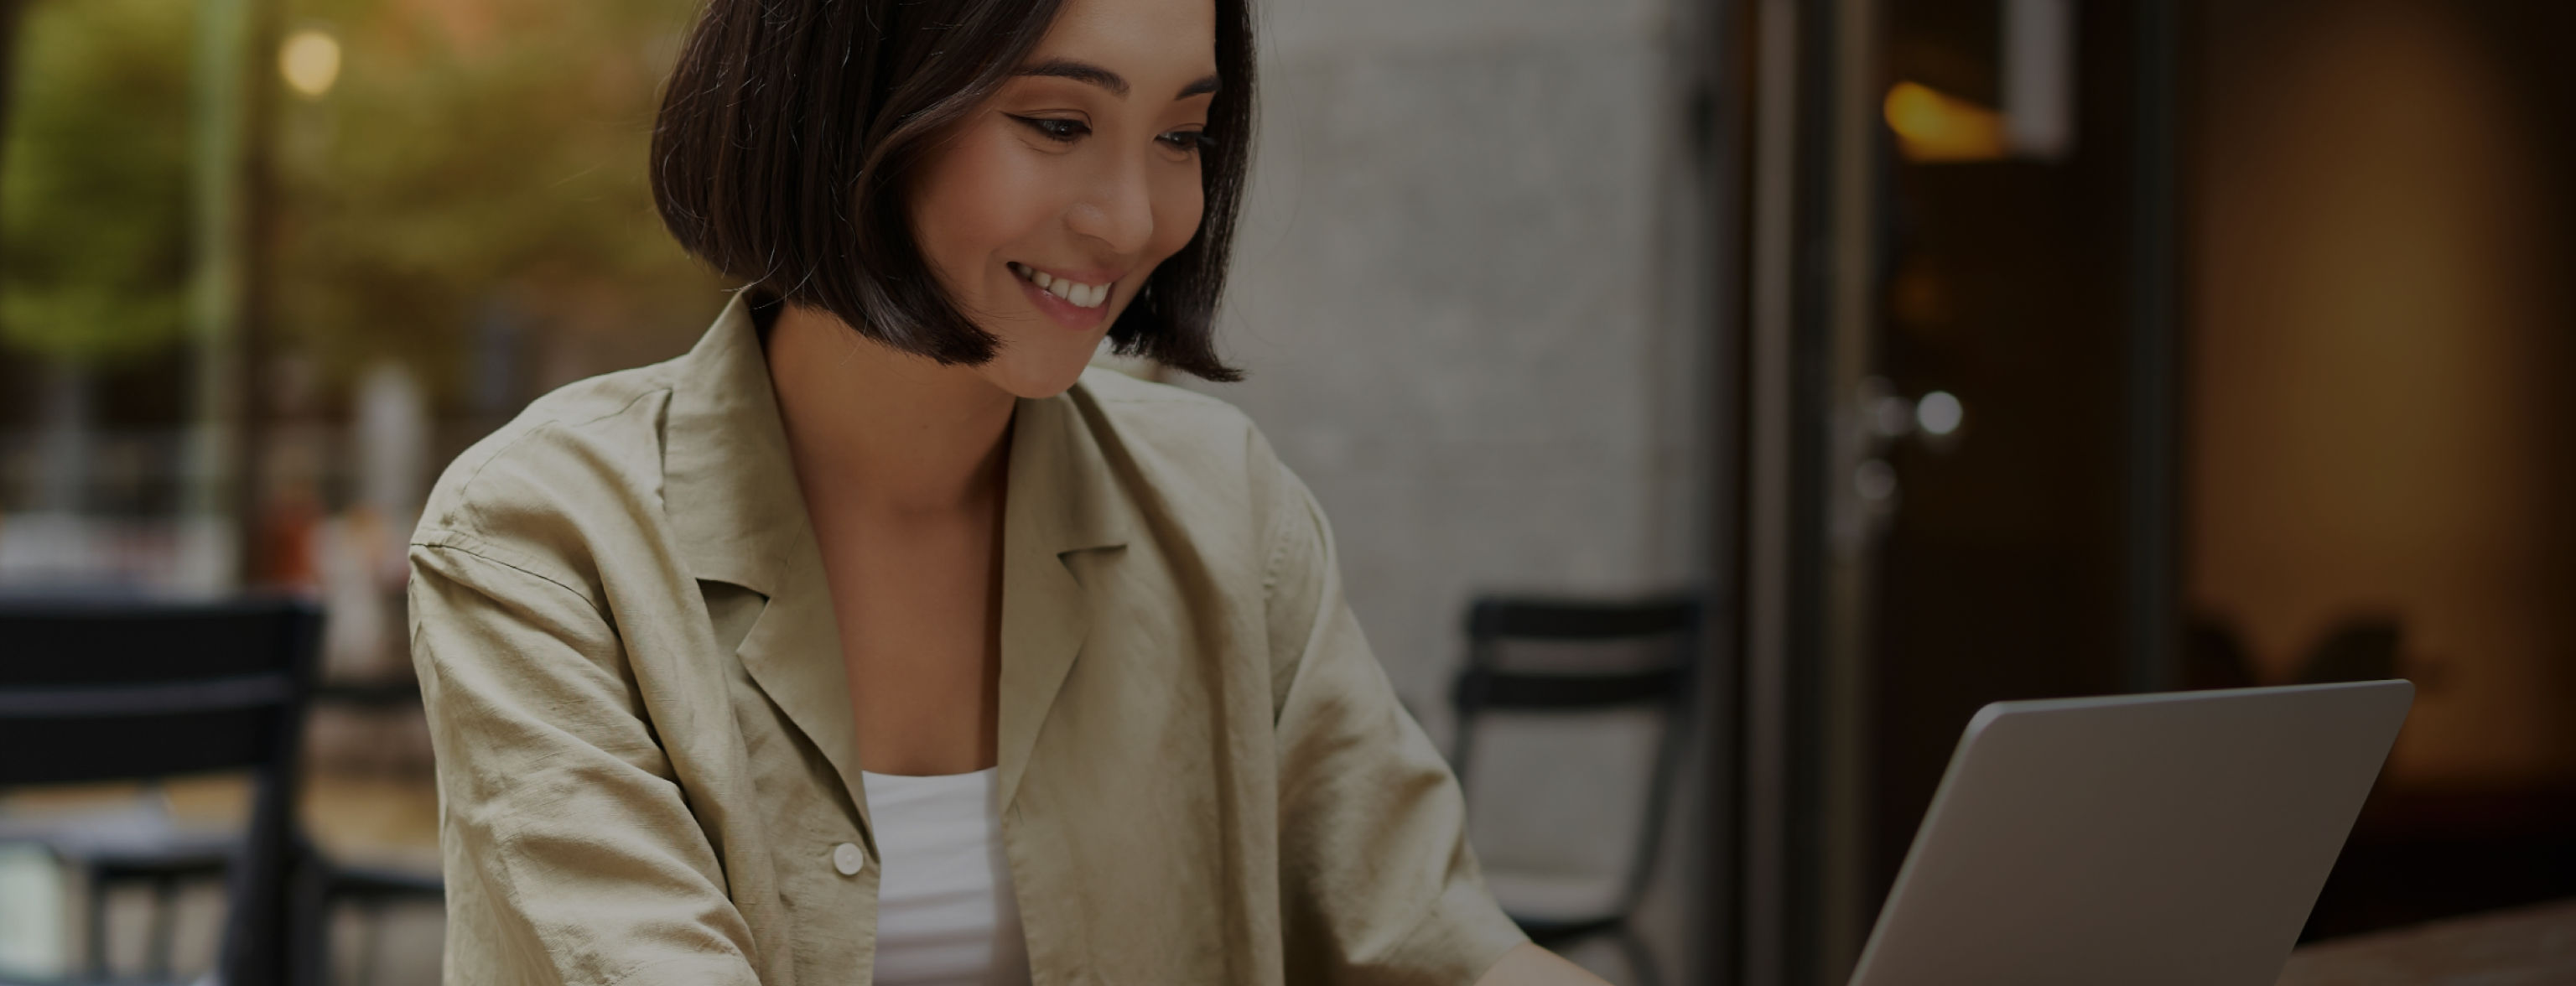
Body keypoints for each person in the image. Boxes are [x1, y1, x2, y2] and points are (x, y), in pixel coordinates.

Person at [405, 0, 1613, 982]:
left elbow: (1430, 946)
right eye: (1056, 123)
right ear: (854, 101)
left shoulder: (1223, 508)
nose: (1136, 216)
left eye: (1182, 136)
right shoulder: (543, 538)